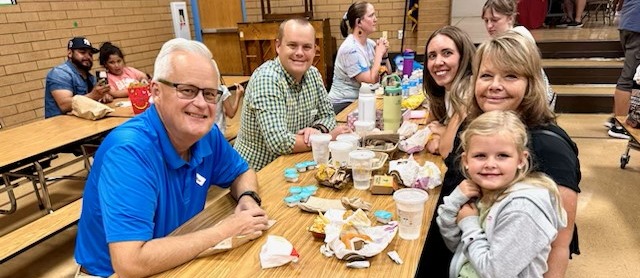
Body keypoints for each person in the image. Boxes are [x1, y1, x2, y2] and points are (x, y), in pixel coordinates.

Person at [74, 38, 269, 277]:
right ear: (155, 91)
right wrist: (224, 230)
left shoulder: (206, 135)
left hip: (174, 252)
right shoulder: (128, 152)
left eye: (209, 94)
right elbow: (130, 263)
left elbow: (242, 172)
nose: (200, 104)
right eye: (187, 90)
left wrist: (247, 198)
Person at [417, 31, 581, 278]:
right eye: (486, 76)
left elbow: (559, 244)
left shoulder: (549, 147)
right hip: (460, 251)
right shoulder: (479, 125)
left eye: (510, 76)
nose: (495, 85)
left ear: (530, 83)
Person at [437, 110, 567, 278]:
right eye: (480, 156)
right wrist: (455, 201)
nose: (490, 164)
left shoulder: (523, 209)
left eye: (502, 156)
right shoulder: (481, 192)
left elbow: (494, 273)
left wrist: (469, 223)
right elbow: (455, 243)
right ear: (466, 161)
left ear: (521, 160)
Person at [234, 18, 351, 171]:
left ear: (315, 50)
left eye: (307, 47)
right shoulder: (267, 79)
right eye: (292, 45)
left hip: (294, 164)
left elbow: (328, 116)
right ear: (278, 46)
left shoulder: (313, 74)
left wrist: (317, 130)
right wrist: (328, 138)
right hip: (257, 173)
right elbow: (279, 142)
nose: (300, 53)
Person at [481, 0, 557, 111]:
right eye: (486, 20)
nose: (489, 25)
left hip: (532, 102)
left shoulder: (520, 37)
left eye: (494, 20)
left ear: (510, 18)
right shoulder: (497, 42)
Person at [422, 26, 476, 159]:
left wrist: (442, 131)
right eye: (432, 56)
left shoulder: (470, 90)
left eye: (447, 53)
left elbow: (446, 150)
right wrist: (437, 135)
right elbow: (430, 124)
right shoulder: (445, 88)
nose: (438, 62)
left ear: (463, 57)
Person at [327, 1, 390, 113]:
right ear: (359, 22)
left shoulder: (369, 44)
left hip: (360, 100)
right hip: (342, 104)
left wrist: (384, 56)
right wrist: (379, 54)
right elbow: (370, 81)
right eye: (371, 16)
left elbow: (387, 75)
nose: (375, 19)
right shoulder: (350, 49)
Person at [44, 36, 111, 118]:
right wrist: (93, 96)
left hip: (84, 123)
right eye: (82, 52)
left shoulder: (90, 77)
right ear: (70, 53)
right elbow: (64, 105)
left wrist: (102, 97)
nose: (87, 57)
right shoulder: (59, 73)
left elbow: (93, 100)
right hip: (61, 126)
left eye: (90, 54)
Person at [605, 0, 640, 139]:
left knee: (630, 76)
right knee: (629, 79)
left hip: (627, 22)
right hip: (637, 26)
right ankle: (620, 126)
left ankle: (617, 118)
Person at [212, 59, 244, 135]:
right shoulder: (222, 90)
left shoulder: (198, 92)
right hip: (219, 132)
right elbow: (231, 114)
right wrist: (238, 96)